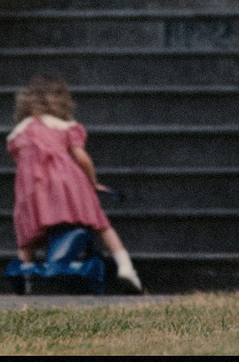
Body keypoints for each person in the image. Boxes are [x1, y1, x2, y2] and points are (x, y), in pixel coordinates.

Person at [8, 73, 143, 293]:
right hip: (68, 182)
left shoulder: (19, 132)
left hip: (32, 189)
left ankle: (26, 277)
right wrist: (93, 182)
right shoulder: (64, 126)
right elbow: (82, 158)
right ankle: (126, 267)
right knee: (99, 223)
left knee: (27, 237)